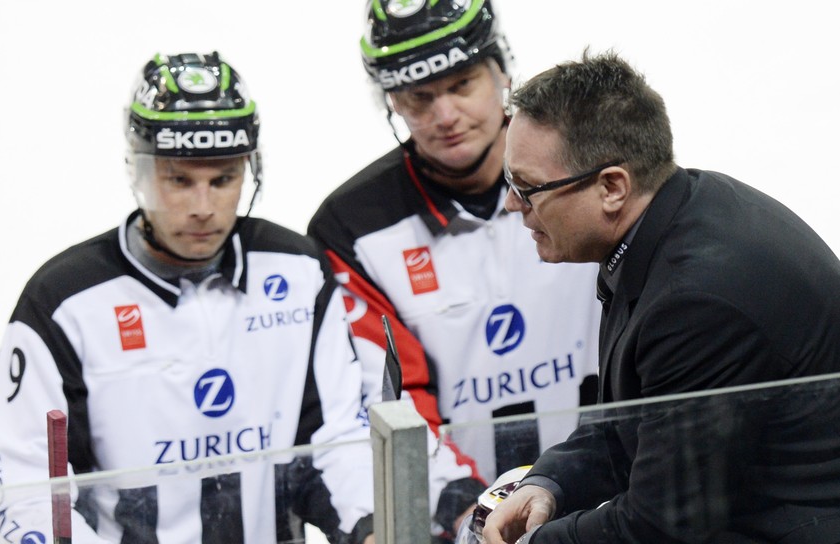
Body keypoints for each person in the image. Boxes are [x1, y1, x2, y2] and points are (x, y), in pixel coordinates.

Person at [0, 51, 374, 544]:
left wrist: (369, 527)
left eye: (224, 179)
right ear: (137, 171)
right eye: (180, 180)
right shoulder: (62, 302)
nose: (203, 207)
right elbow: (27, 495)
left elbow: (336, 439)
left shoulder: (299, 270)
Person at [482, 49, 840, 543]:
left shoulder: (697, 302)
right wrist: (551, 483)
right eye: (509, 180)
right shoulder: (667, 216)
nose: (511, 204)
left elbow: (660, 526)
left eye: (527, 187)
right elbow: (626, 422)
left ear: (611, 187)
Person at [307, 1, 602, 540]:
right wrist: (474, 511)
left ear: (502, 72)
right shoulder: (350, 226)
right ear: (390, 101)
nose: (444, 116)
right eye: (419, 97)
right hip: (465, 520)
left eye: (462, 83)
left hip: (611, 496)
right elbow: (386, 399)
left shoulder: (589, 162)